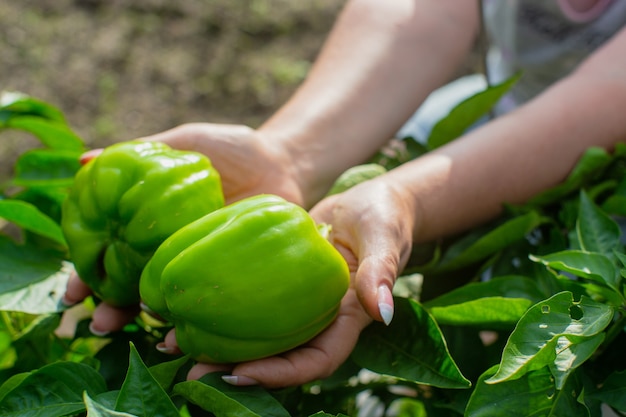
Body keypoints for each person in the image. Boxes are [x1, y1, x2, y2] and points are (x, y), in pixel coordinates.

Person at [63, 0, 626, 388]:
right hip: (495, 116)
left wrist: (406, 201)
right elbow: (417, 13)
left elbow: (607, 94)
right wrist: (294, 154)